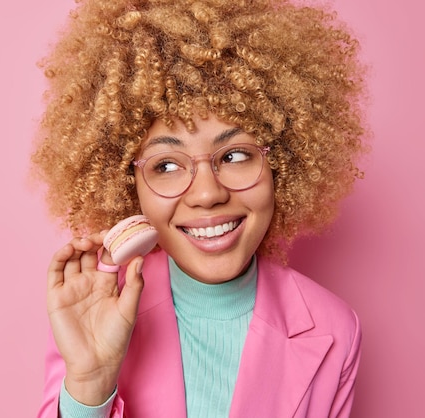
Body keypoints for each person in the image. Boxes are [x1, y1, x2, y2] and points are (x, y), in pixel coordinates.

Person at [31, 0, 368, 417]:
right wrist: (89, 384)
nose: (207, 194)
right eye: (167, 165)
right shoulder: (96, 307)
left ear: (283, 161)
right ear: (126, 183)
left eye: (235, 156)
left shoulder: (335, 329)